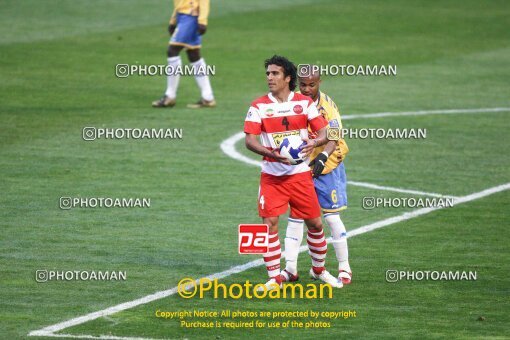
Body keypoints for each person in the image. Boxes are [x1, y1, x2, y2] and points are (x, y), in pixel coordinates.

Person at [244, 56, 342, 291]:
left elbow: (326, 133)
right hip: (272, 177)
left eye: (275, 73)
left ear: (288, 78)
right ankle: (274, 277)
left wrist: (314, 142)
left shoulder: (304, 104)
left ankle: (318, 270)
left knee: (316, 224)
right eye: (268, 73)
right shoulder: (258, 106)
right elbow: (249, 140)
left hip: (300, 176)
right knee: (269, 224)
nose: (269, 77)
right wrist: (272, 154)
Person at [281, 66, 352, 285]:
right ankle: (291, 268)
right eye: (303, 84)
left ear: (319, 82)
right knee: (296, 216)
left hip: (328, 165)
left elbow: (333, 137)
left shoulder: (327, 107)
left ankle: (344, 267)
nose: (307, 89)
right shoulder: (293, 103)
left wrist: (322, 158)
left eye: (312, 84)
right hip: (302, 167)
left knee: (331, 216)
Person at [152, 0, 216, 108]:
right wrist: (173, 20)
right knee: (193, 55)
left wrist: (202, 21)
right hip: (183, 16)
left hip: (191, 16)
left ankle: (170, 96)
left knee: (172, 51)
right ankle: (208, 97)